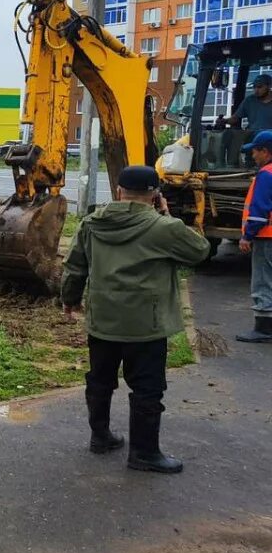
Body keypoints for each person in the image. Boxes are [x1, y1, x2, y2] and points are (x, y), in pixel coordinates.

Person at [61, 165, 211, 474]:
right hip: (145, 325)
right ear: (155, 195)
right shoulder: (162, 228)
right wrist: (168, 216)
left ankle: (100, 437)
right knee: (147, 388)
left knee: (100, 380)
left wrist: (70, 300)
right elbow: (200, 251)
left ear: (119, 191)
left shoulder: (91, 224)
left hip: (103, 320)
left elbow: (75, 266)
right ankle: (144, 453)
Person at [236, 131, 272, 343]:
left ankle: (264, 328)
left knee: (263, 281)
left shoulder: (266, 174)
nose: (253, 156)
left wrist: (247, 237)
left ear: (265, 152)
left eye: (255, 152)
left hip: (266, 237)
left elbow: (258, 212)